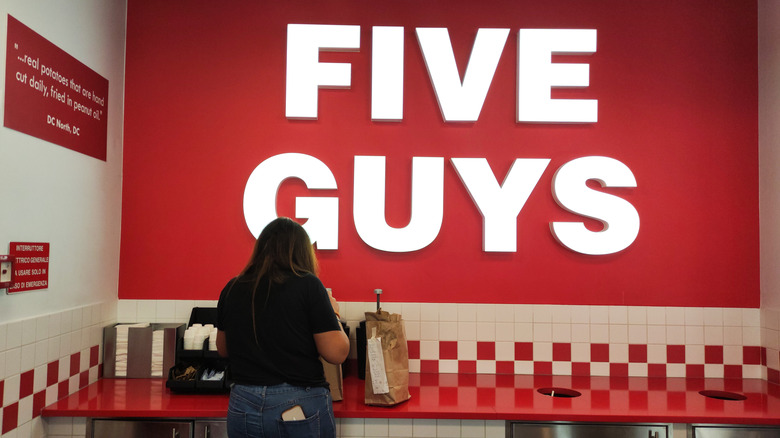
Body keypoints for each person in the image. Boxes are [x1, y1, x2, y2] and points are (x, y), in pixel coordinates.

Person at [216, 217, 350, 438]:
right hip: (298, 403)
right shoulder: (308, 284)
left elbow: (223, 349)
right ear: (302, 252)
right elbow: (337, 353)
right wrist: (333, 312)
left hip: (244, 401)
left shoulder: (232, 287)